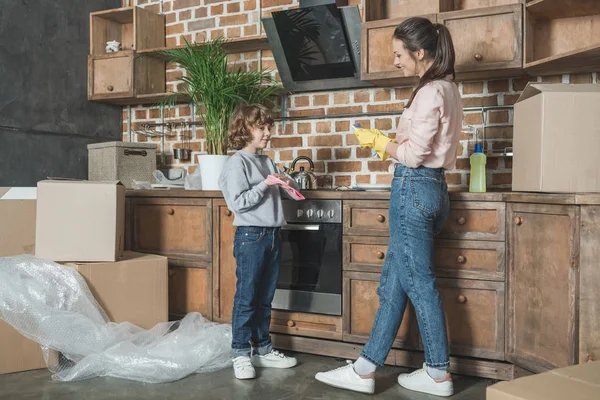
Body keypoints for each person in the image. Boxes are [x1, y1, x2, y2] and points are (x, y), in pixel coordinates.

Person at [315, 17, 463, 397]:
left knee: (419, 282)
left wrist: (379, 143)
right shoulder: (449, 89)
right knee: (394, 284)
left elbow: (413, 156)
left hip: (413, 189)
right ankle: (365, 368)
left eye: (399, 54)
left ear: (419, 53)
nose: (396, 61)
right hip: (433, 191)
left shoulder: (430, 92)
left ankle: (437, 372)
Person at [218, 103, 299, 380]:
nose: (268, 133)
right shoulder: (236, 163)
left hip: (273, 235)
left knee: (265, 298)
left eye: (269, 127)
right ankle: (240, 353)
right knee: (247, 298)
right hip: (251, 236)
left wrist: (287, 183)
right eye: (261, 128)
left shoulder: (266, 161)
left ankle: (263, 349)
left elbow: (277, 194)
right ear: (245, 129)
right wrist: (266, 184)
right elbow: (238, 203)